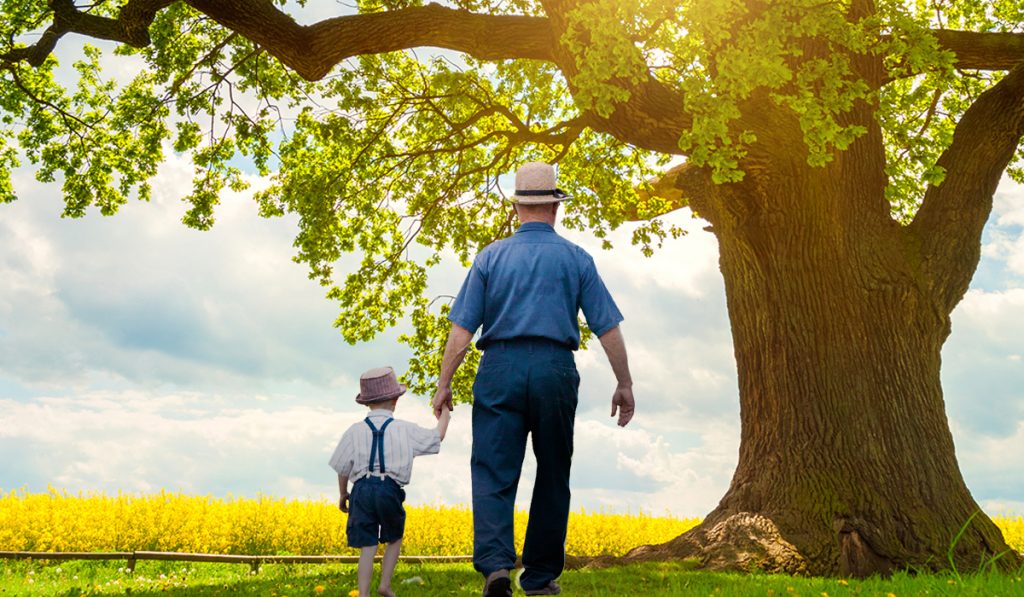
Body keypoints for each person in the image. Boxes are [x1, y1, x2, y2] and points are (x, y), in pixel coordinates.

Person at [432, 162, 636, 597]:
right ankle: (540, 577)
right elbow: (607, 327)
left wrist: (444, 382)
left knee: (492, 470)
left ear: (519, 208)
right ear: (555, 208)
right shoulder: (577, 259)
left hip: (499, 369)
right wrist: (625, 382)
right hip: (554, 369)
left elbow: (462, 331)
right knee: (553, 472)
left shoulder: (490, 257)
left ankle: (496, 568)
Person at [330, 366, 451, 597]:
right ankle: (385, 584)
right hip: (389, 489)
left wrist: (343, 493)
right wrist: (444, 411)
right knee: (394, 536)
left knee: (368, 545)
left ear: (366, 403)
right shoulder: (404, 429)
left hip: (361, 489)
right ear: (395, 400)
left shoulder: (354, 431)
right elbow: (438, 436)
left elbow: (342, 467)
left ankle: (363, 594)